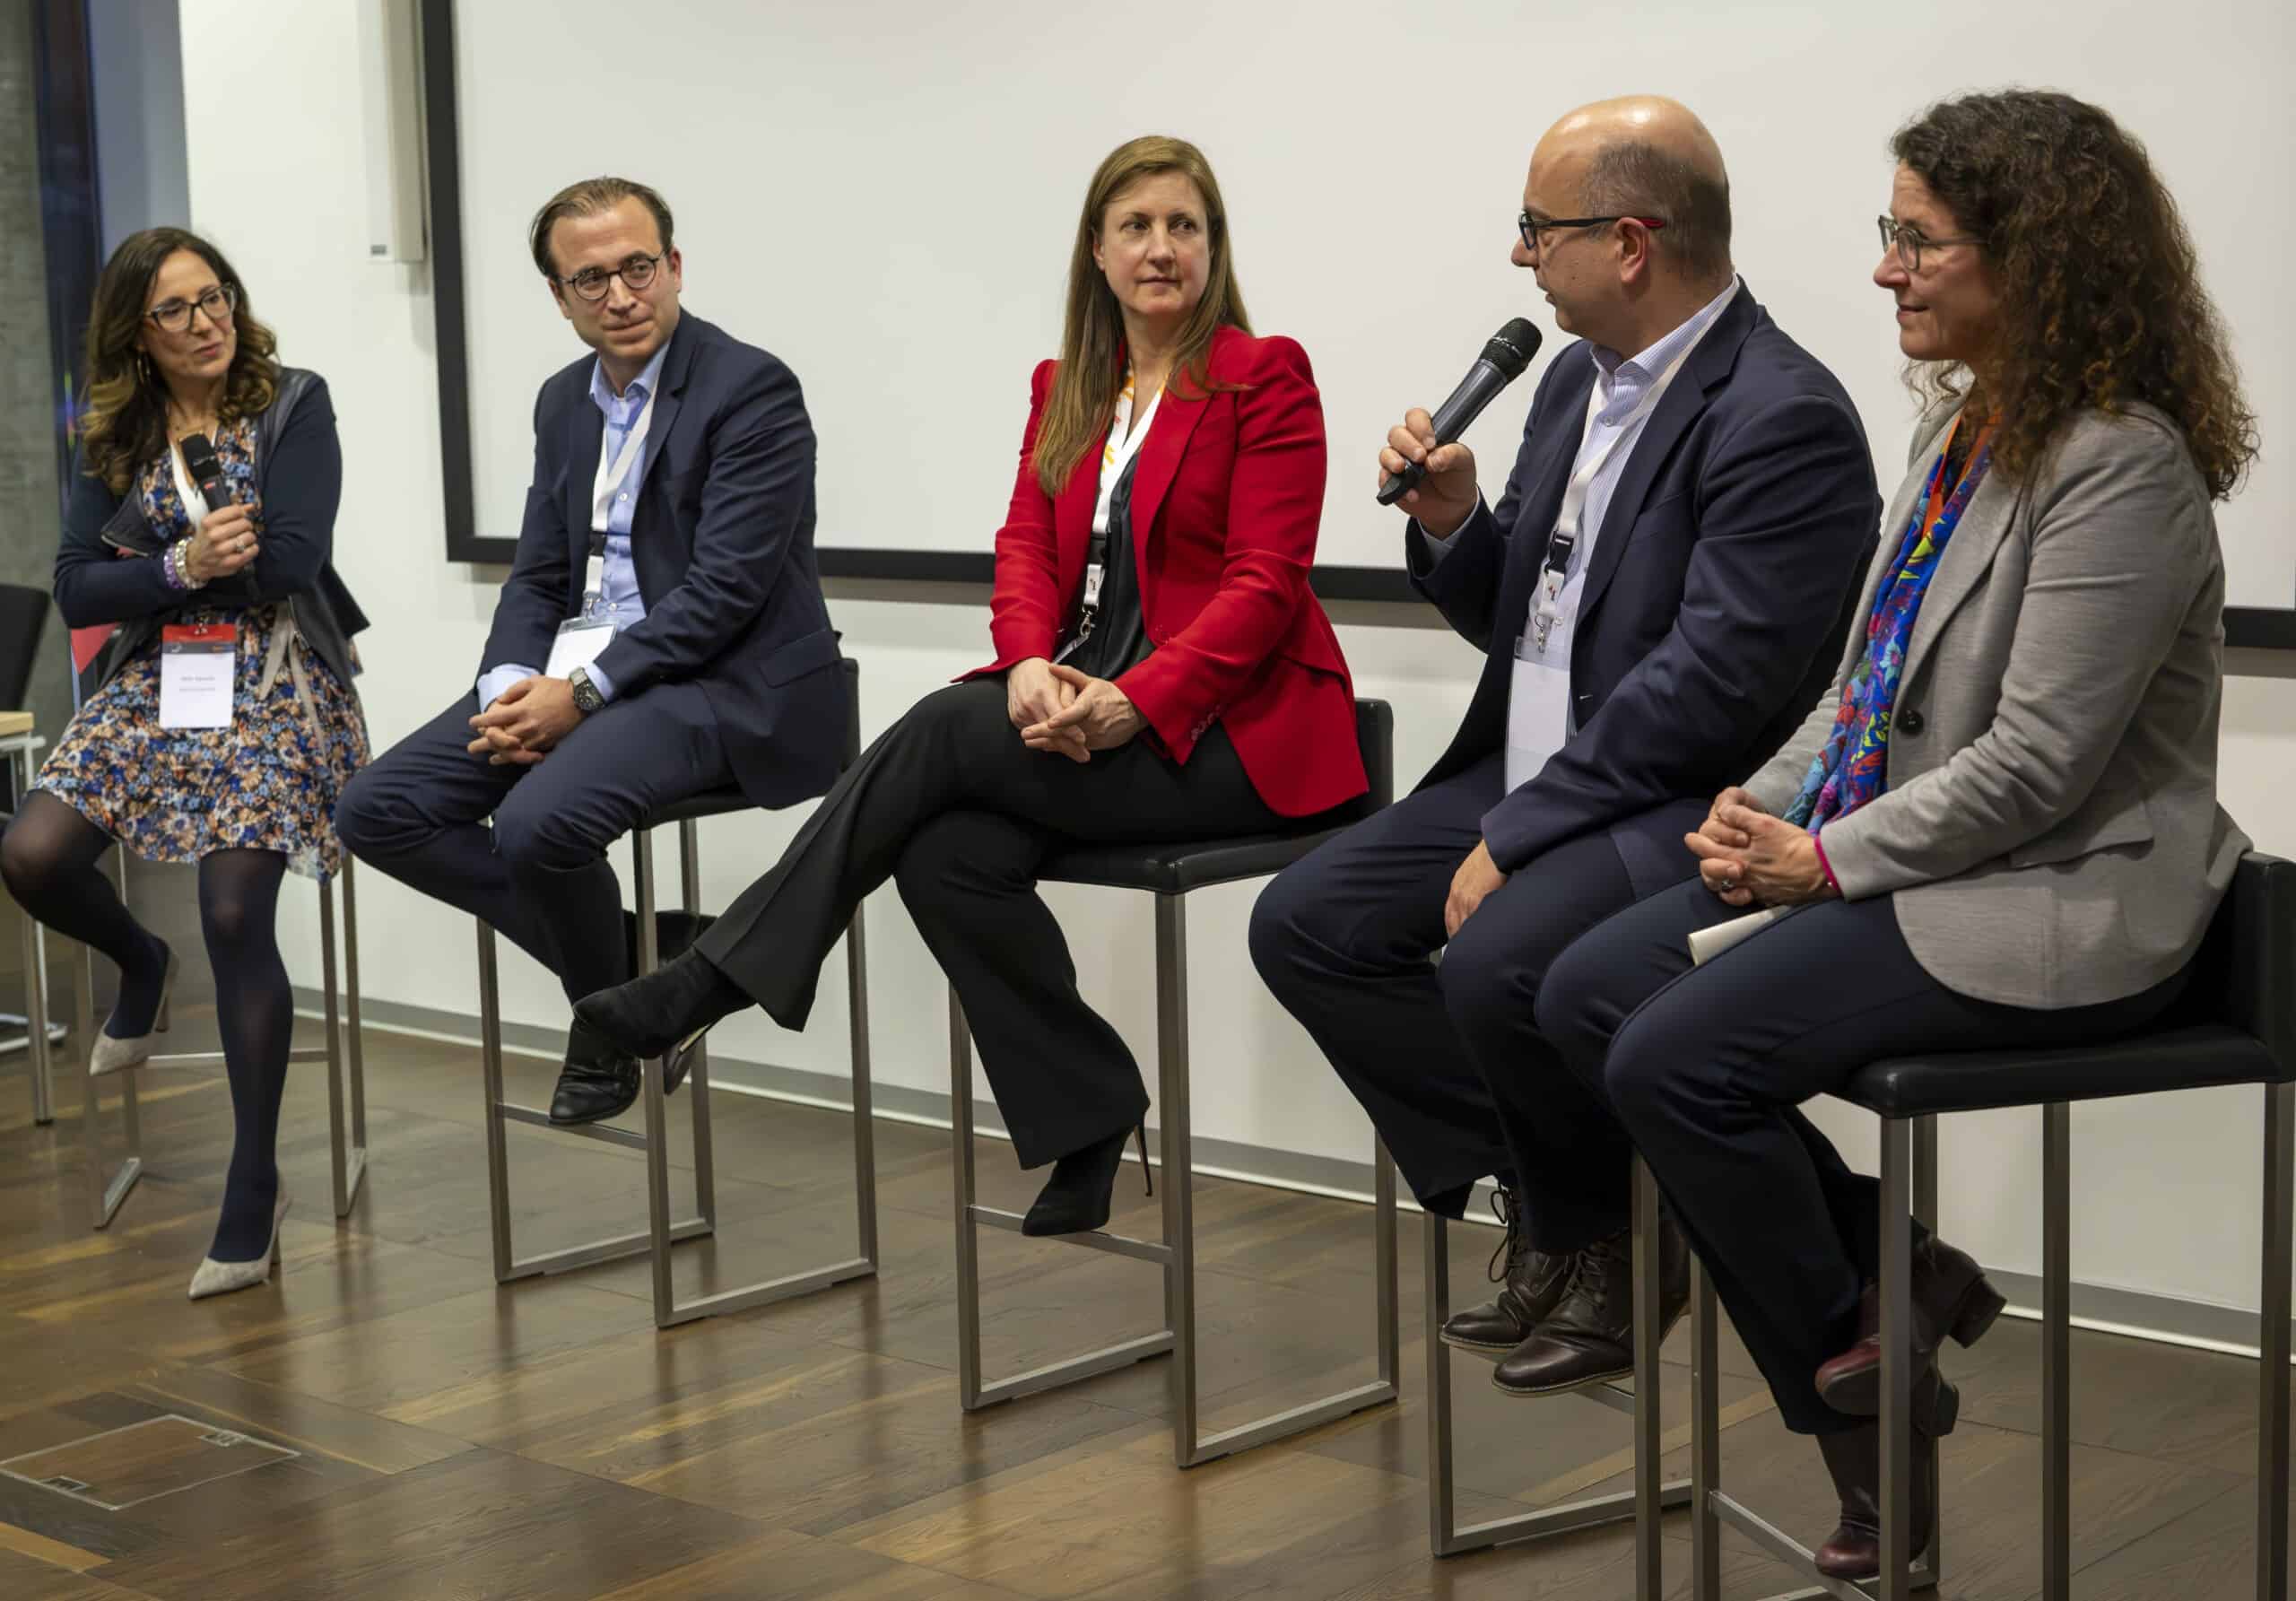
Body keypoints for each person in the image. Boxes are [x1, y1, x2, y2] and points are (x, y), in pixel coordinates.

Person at [1534, 90, 2257, 1579]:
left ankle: (1865, 1436)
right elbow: (1865, 690)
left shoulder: (2119, 462)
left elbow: (2042, 767)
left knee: (1673, 1057)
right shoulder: (1967, 432)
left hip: (2063, 897)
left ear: (2035, 258)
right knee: (1583, 988)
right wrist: (1764, 806)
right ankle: (1895, 1276)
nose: (1885, 271)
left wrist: (1824, 861)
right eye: (1891, 236)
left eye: (1917, 242)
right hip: (1933, 861)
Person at [576, 135, 1366, 1236]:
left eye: (1184, 226)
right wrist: (1032, 662)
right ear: (1096, 250)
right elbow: (1025, 550)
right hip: (1091, 709)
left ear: (1212, 248)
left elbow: (1264, 586)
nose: (1161, 247)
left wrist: (1137, 697)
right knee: (946, 858)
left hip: (1227, 735)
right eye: (1135, 226)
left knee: (948, 722)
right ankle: (1086, 1112)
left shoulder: (1261, 375)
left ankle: (710, 979)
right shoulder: (1070, 386)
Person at [1249, 97, 1879, 1389]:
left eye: (1539, 229)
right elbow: (1521, 623)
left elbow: (1704, 694)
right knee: (1306, 924)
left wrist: (1516, 836)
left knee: (1498, 963)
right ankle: (1592, 1203)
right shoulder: (1567, 385)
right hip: (1532, 768)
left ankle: (1598, 1226)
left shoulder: (1783, 418)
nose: (1521, 259)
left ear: (1632, 241)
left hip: (1676, 798)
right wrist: (1455, 528)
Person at [335, 178, 846, 1127]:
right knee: (377, 809)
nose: (620, 296)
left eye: (637, 268)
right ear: (560, 297)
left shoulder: (751, 388)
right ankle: (648, 963)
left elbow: (724, 593)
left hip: (718, 678)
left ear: (675, 267)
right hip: (584, 669)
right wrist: (509, 685)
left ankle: (607, 1025)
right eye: (591, 279)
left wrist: (583, 691)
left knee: (536, 828)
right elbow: (538, 575)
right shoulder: (562, 402)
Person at [0, 228, 370, 1299]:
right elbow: (77, 588)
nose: (207, 322)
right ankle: (140, 963)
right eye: (178, 310)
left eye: (216, 298)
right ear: (136, 333)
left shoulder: (293, 402)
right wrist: (182, 563)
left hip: (279, 680)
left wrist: (156, 578)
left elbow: (294, 561)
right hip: (157, 682)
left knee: (233, 912)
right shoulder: (115, 433)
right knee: (30, 854)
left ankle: (253, 1186)